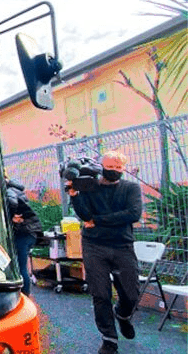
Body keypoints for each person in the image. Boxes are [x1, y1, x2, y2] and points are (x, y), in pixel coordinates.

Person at [67, 150, 141, 354]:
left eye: (118, 167)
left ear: (124, 168)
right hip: (94, 246)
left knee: (131, 294)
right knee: (100, 294)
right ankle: (109, 340)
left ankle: (123, 315)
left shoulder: (131, 188)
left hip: (122, 246)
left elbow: (133, 214)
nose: (115, 170)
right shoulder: (91, 187)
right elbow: (85, 215)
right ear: (101, 167)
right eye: (110, 167)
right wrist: (74, 195)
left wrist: (98, 220)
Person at [5, 172, 43, 296]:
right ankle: (24, 294)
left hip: (25, 231)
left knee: (21, 266)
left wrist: (11, 216)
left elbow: (12, 203)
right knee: (21, 265)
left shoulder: (9, 190)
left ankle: (25, 295)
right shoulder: (16, 189)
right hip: (30, 231)